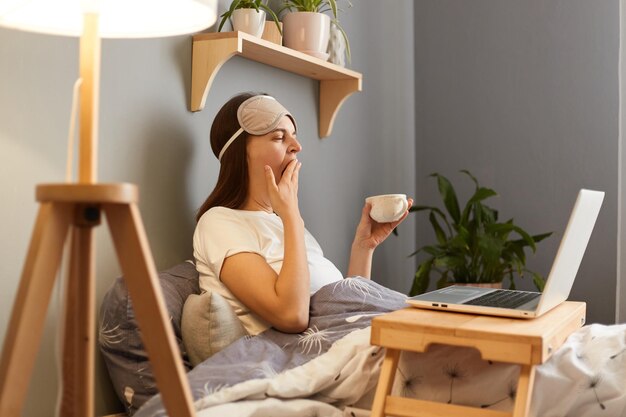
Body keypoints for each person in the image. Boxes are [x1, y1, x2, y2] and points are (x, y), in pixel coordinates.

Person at [193, 92, 413, 336]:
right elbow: (292, 316)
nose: (297, 147)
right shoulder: (219, 223)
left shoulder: (287, 224)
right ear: (240, 153)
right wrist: (291, 215)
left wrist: (363, 247)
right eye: (279, 137)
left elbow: (348, 309)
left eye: (294, 137)